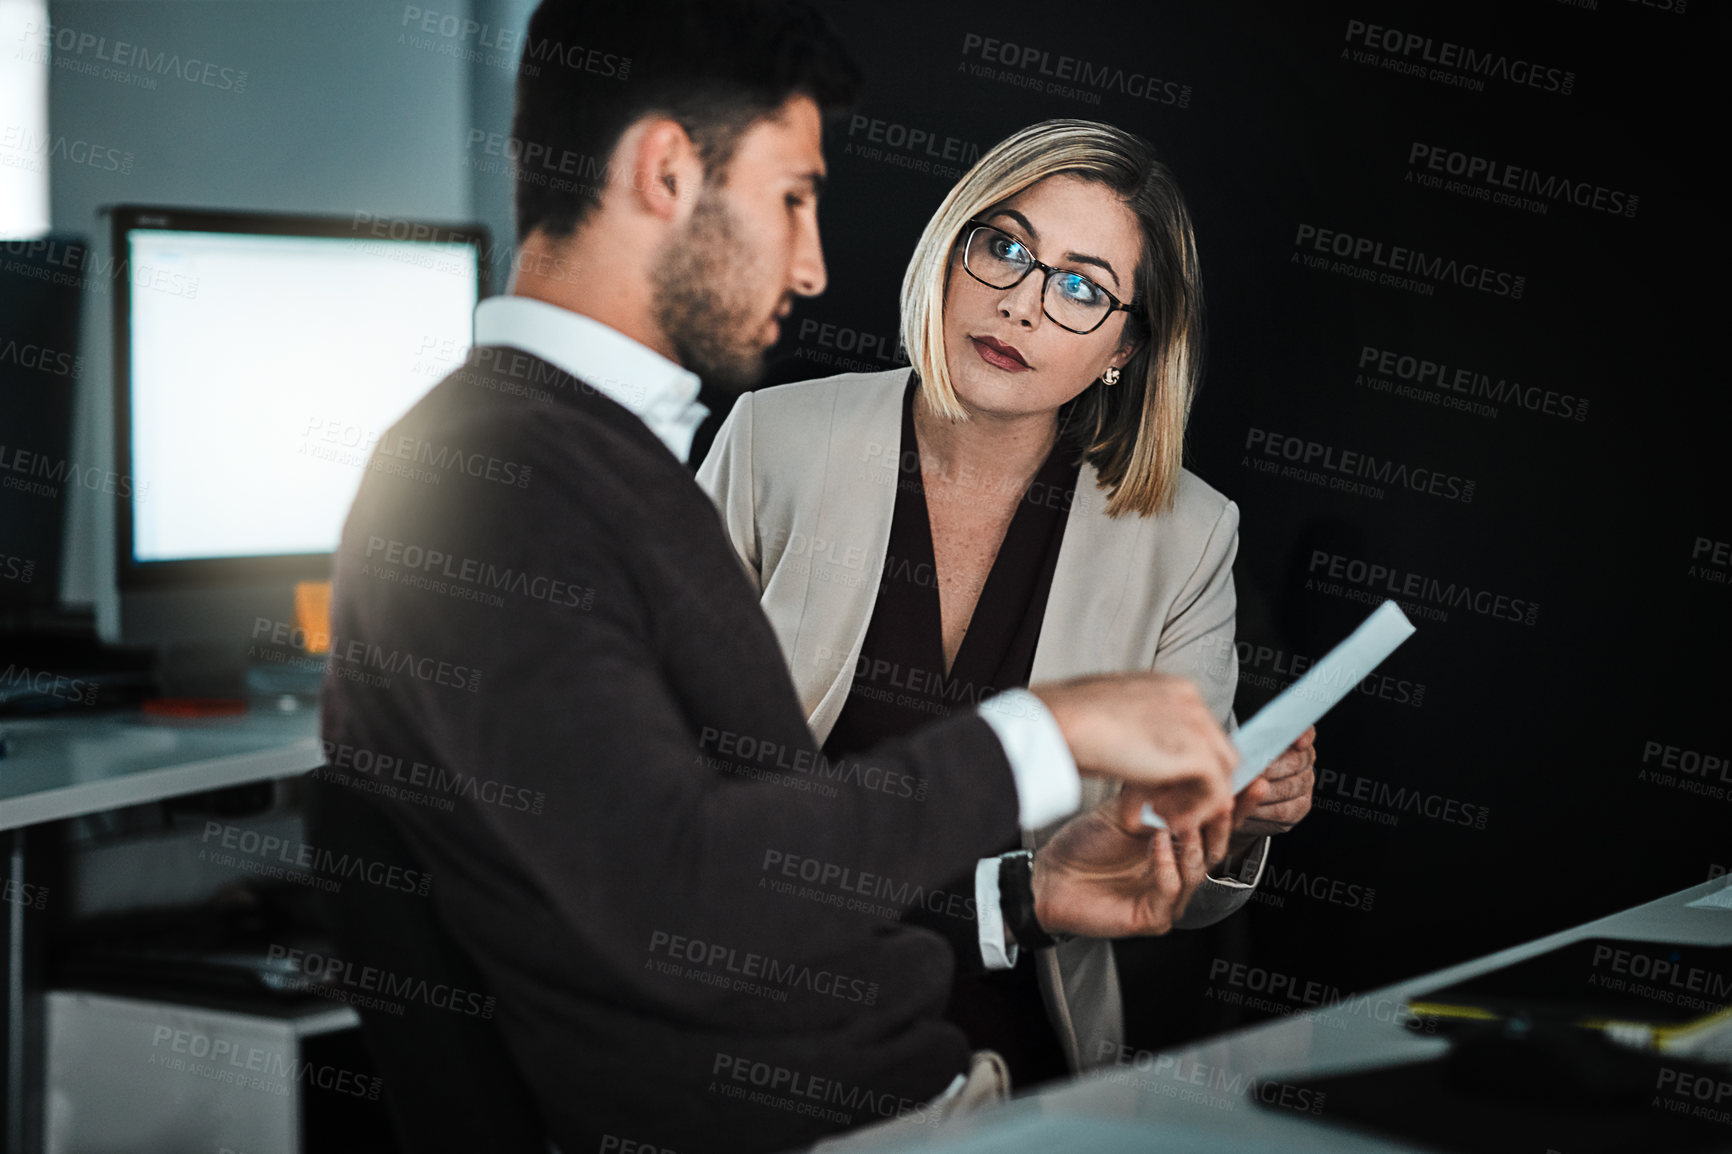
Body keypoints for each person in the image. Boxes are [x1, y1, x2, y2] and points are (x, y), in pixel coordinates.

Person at [307, 7, 1250, 1154]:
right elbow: (676, 890)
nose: (812, 263)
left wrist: (1010, 904)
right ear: (664, 171)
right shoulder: (504, 482)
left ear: (1125, 345)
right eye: (793, 197)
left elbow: (712, 863)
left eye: (1081, 289)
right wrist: (1041, 732)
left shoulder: (581, 456)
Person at [697, 118, 1319, 1089]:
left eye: (1080, 286)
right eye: (1006, 248)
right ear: (954, 249)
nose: (1021, 305)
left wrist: (1232, 812)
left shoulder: (1188, 533)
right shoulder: (772, 441)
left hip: (1016, 1045)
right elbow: (654, 788)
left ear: (1126, 345)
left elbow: (1161, 877)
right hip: (762, 1015)